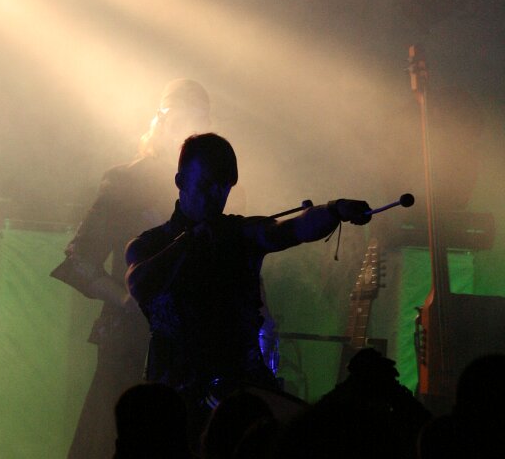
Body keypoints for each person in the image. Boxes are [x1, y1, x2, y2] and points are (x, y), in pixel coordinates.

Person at [125, 132, 371, 437]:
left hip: (243, 393)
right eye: (206, 185)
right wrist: (187, 242)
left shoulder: (239, 233)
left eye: (224, 187)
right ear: (181, 181)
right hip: (172, 398)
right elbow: (139, 285)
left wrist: (334, 210)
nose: (216, 196)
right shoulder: (148, 244)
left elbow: (290, 228)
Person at [51, 79, 211, 459]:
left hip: (191, 350)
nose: (187, 127)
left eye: (198, 118)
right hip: (129, 346)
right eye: (179, 116)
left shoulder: (208, 190)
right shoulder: (126, 181)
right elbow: (79, 259)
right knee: (112, 454)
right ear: (160, 121)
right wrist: (128, 301)